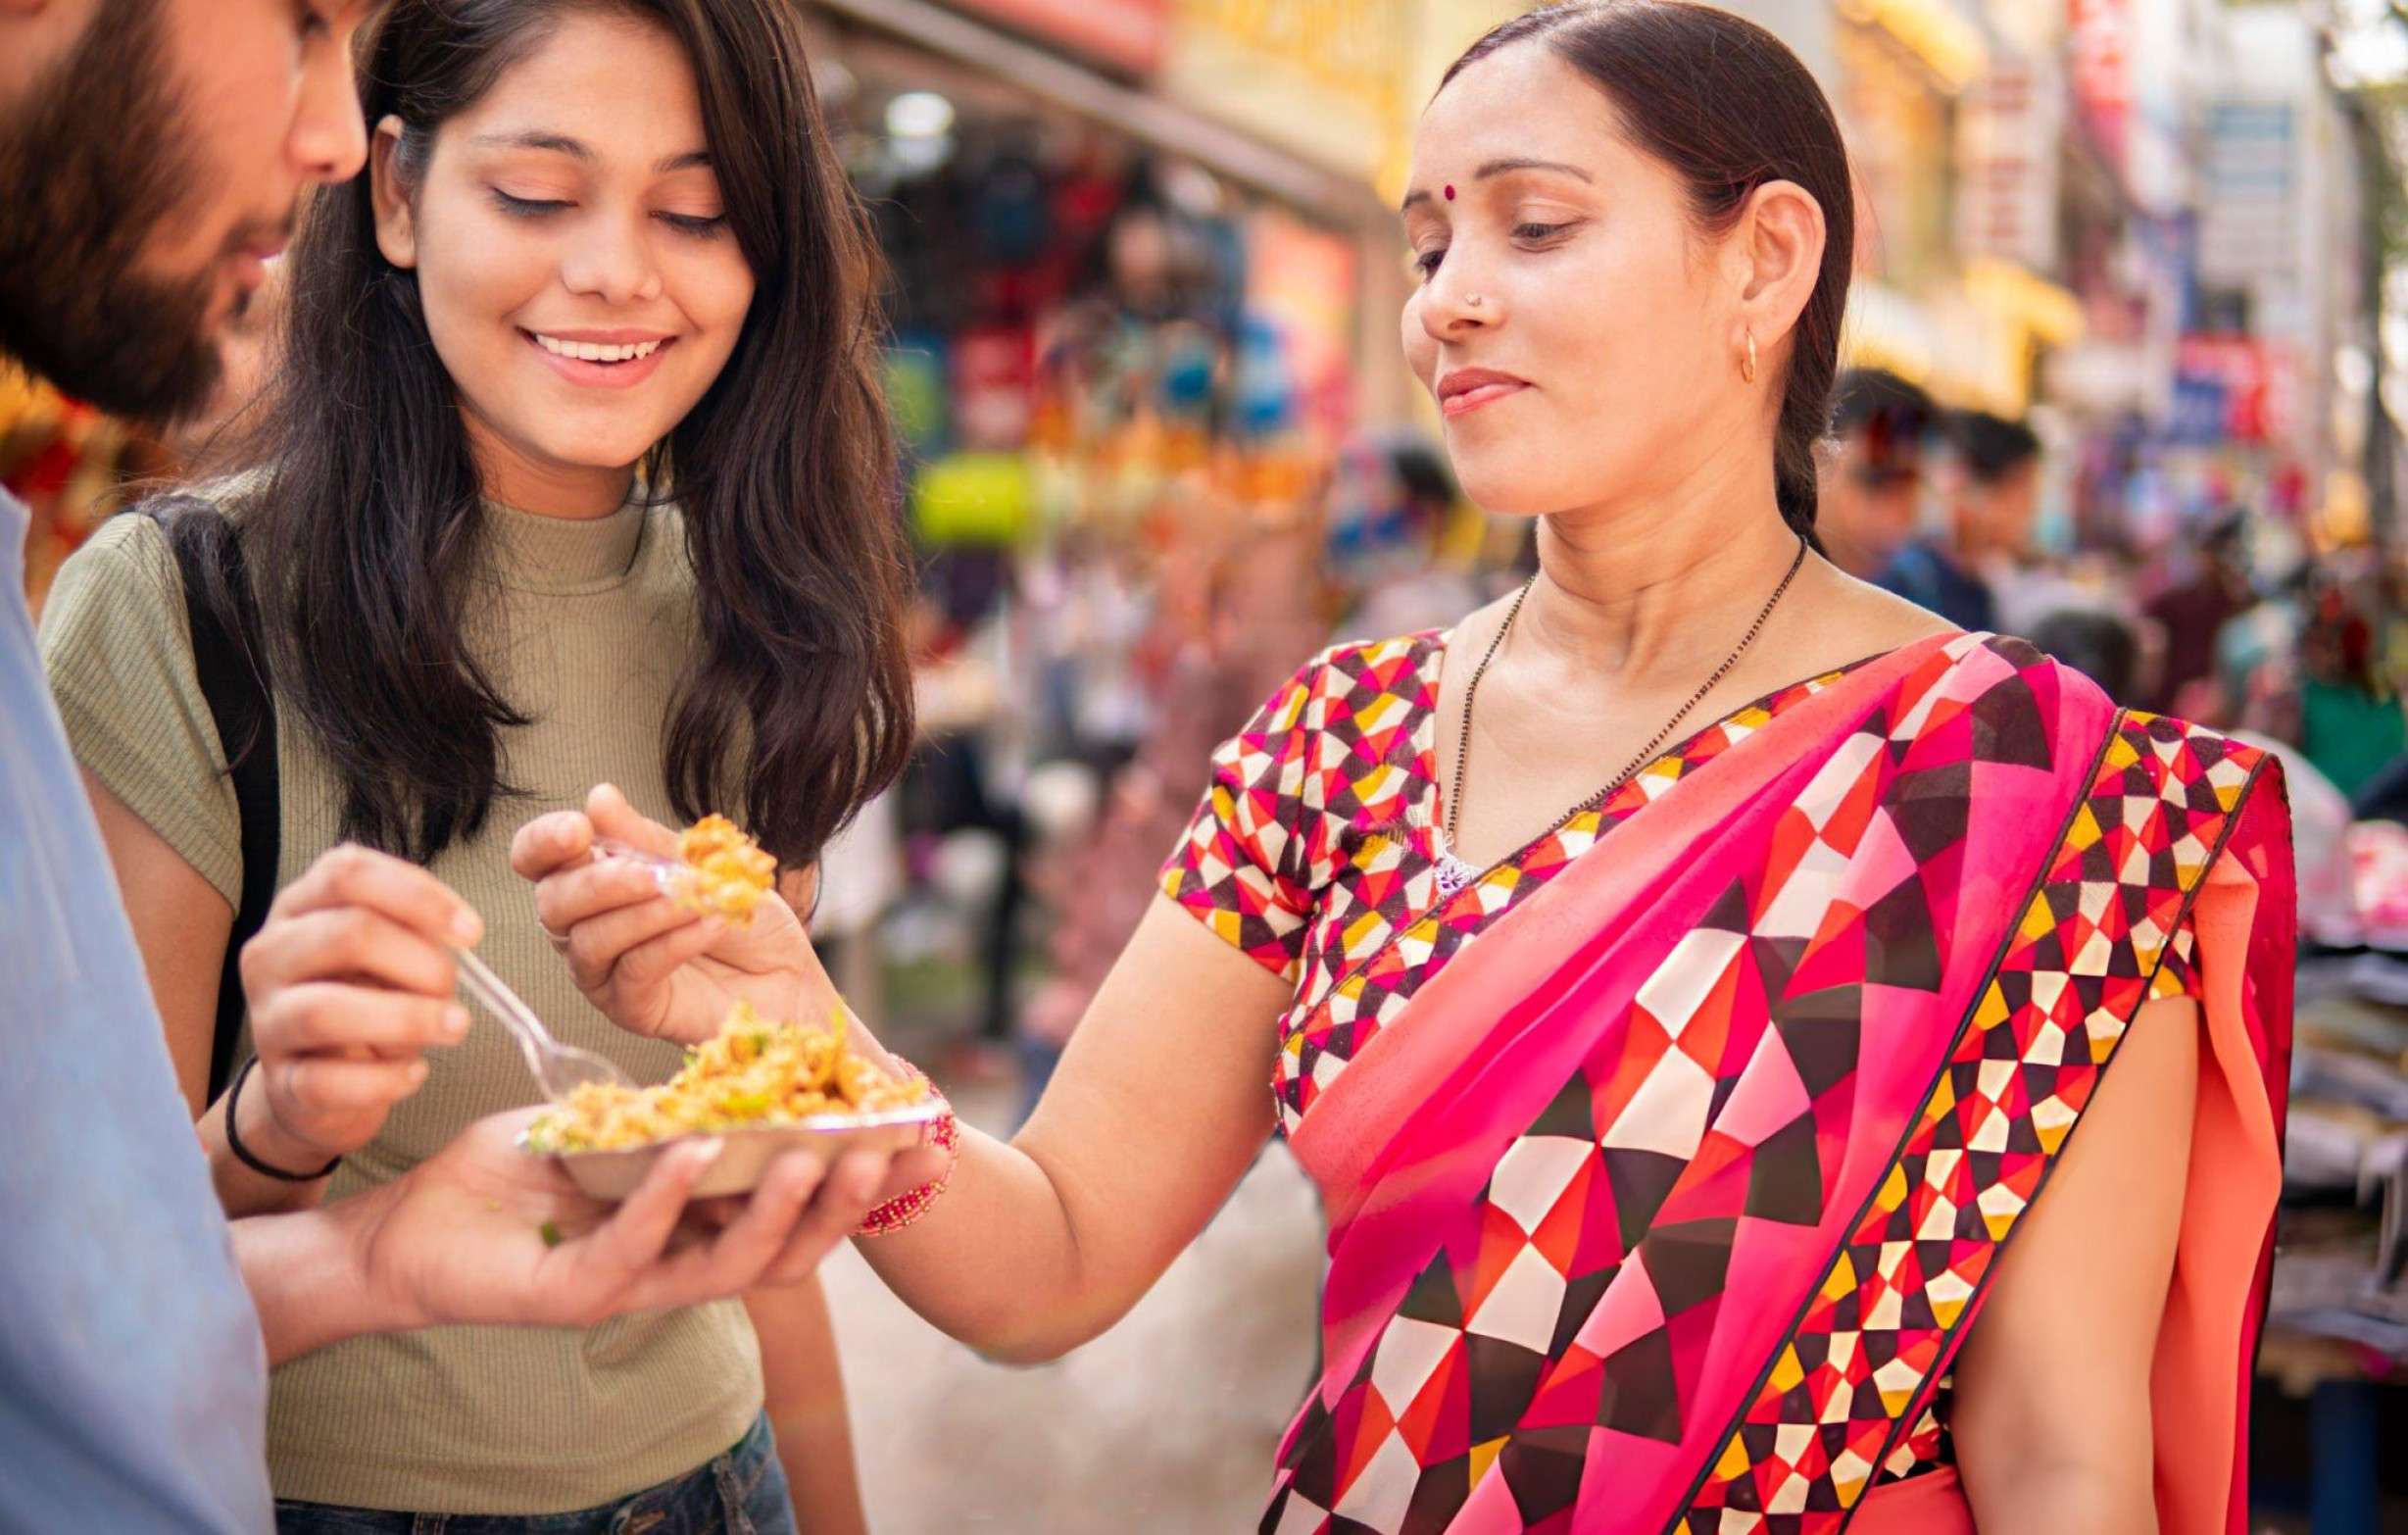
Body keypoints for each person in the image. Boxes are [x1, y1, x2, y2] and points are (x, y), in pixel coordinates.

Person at [524, 5, 2296, 1531]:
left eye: (1532, 228)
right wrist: (806, 1035)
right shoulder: (1339, 744)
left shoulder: (2027, 791)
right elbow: (1048, 1256)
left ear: (1763, 258)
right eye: (1430, 241)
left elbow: (2063, 1460)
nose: (1446, 301)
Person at [0, 2, 926, 1531]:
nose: (616, 269)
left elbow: (735, 1219)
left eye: (694, 212)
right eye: (538, 195)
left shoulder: (759, 621)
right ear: (392, 194)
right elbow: (84, 1278)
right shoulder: (178, 606)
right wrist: (279, 1124)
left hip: (719, 1477)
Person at [1816, 368, 1935, 582]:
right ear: (1818, 459)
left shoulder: (1913, 589)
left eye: (1911, 486)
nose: (1895, 515)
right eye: (1875, 481)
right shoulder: (1758, 581)